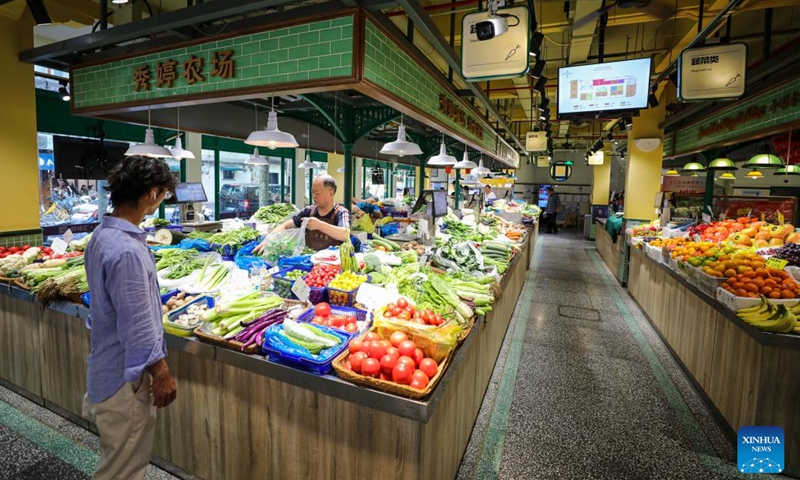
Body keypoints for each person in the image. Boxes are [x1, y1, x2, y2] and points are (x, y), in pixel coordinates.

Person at [82, 156, 178, 480]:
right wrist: (161, 372)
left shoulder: (101, 236)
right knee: (122, 470)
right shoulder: (127, 250)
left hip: (104, 366)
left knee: (117, 459)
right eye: (163, 193)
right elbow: (136, 324)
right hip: (125, 381)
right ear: (152, 194)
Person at [255, 174, 350, 251]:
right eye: (312, 192)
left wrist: (319, 225)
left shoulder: (341, 212)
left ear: (331, 192)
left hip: (332, 266)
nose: (314, 196)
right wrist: (269, 239)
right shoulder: (308, 211)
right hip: (308, 262)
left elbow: (345, 234)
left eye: (317, 193)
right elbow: (286, 225)